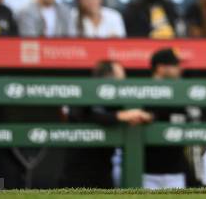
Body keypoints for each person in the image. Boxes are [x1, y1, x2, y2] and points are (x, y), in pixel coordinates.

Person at [60, 59, 153, 188]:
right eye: (120, 77)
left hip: (103, 170)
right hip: (79, 171)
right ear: (108, 77)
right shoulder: (85, 91)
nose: (123, 81)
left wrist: (143, 116)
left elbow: (136, 114)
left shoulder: (115, 101)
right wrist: (122, 116)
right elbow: (86, 115)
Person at [143, 48, 190, 189]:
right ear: (160, 68)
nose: (179, 69)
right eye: (175, 65)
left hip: (175, 171)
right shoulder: (143, 90)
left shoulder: (181, 92)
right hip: (147, 172)